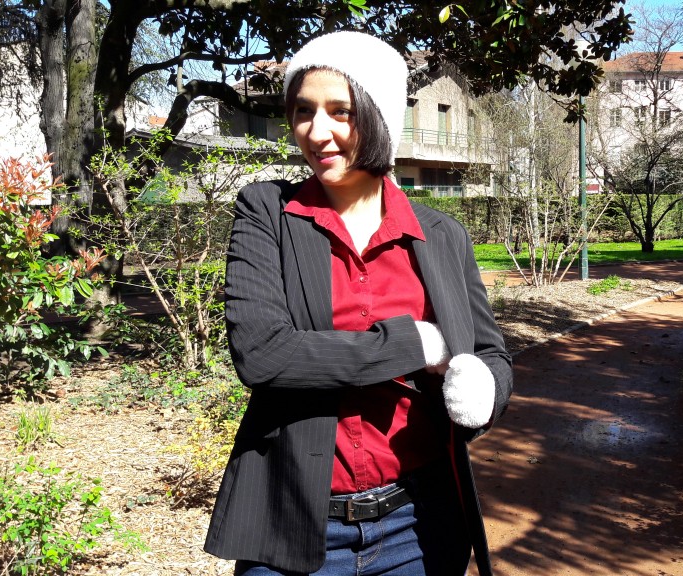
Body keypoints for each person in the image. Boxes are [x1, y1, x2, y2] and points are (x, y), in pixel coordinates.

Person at [203, 30, 513, 576]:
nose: (316, 132)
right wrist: (413, 343)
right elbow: (263, 355)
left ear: (380, 116)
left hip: (418, 525)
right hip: (295, 522)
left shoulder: (442, 236)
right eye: (303, 111)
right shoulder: (266, 214)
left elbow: (490, 354)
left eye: (340, 111)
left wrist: (485, 387)